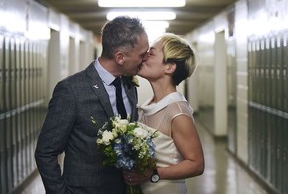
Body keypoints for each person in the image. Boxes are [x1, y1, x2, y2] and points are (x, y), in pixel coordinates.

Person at [34, 16, 150, 194]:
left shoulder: (129, 85)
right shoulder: (71, 90)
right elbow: (45, 152)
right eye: (142, 55)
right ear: (120, 57)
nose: (146, 59)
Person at [123, 33, 205, 194]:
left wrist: (153, 174)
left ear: (169, 67)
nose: (144, 57)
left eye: (151, 53)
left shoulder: (177, 111)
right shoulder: (150, 104)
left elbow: (196, 164)